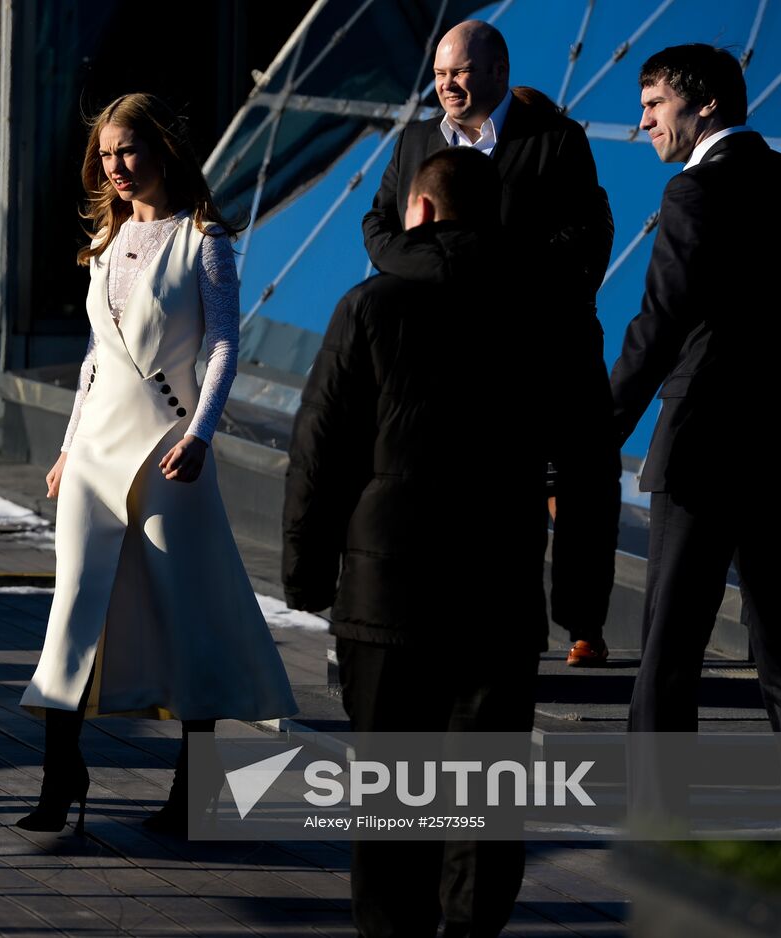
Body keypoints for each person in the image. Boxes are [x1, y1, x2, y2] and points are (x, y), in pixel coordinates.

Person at [284, 147, 619, 937]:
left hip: (383, 592)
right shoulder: (558, 311)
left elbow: (319, 450)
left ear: (423, 211)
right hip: (498, 592)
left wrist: (305, 574)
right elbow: (590, 466)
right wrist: (581, 605)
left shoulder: (370, 305)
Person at [17, 93, 296, 836]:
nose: (116, 167)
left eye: (129, 151)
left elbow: (224, 345)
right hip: (95, 451)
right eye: (106, 155)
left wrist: (201, 434)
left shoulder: (203, 238)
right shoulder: (104, 243)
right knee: (72, 608)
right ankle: (58, 776)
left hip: (169, 450)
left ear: (161, 152)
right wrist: (68, 447)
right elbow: (93, 362)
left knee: (189, 617)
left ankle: (192, 789)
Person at [610, 45, 781, 826]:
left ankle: (658, 823)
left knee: (670, 651)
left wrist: (594, 431)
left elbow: (659, 326)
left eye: (653, 104)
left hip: (703, 454)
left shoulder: (693, 194)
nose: (642, 121)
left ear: (703, 105)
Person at [362, 19, 620, 667]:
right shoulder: (417, 139)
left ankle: (584, 623)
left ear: (498, 72)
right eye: (442, 73)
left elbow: (584, 238)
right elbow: (378, 221)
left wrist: (494, 270)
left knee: (580, 482)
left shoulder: (555, 141)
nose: (447, 84)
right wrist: (425, 268)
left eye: (461, 72)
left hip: (547, 347)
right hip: (449, 357)